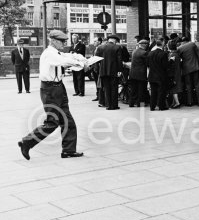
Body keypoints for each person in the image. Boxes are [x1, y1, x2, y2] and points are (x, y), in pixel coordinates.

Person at [17, 30, 87, 160]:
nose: (64, 44)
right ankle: (27, 142)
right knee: (52, 122)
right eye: (62, 41)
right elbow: (63, 61)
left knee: (68, 121)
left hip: (59, 88)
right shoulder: (49, 54)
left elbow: (67, 56)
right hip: (49, 90)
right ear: (53, 41)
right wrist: (82, 64)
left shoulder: (57, 52)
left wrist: (80, 58)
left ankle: (68, 150)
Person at [178, 36, 199, 106]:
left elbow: (179, 59)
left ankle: (190, 102)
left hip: (186, 69)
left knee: (188, 85)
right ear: (187, 40)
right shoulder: (192, 44)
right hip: (195, 67)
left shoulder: (179, 48)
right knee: (197, 84)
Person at [100, 35, 123, 110]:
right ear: (114, 40)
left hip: (103, 71)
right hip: (114, 71)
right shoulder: (117, 47)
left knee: (106, 88)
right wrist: (120, 70)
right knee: (114, 88)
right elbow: (119, 60)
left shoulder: (101, 47)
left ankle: (108, 105)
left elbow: (97, 59)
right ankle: (114, 105)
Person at [147, 39, 169, 111]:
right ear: (162, 44)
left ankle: (152, 107)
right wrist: (171, 61)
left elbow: (147, 64)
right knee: (161, 91)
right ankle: (161, 106)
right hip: (161, 76)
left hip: (152, 75)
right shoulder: (163, 54)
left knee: (153, 92)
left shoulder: (150, 53)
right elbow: (165, 66)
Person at [129, 39, 149, 108]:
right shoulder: (144, 53)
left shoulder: (134, 51)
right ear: (145, 45)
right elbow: (147, 63)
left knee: (133, 90)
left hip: (132, 74)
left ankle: (131, 103)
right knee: (141, 90)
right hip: (141, 74)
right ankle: (140, 104)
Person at [167, 38, 183, 108]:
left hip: (173, 74)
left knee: (173, 89)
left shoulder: (172, 54)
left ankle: (177, 103)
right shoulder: (177, 54)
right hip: (178, 72)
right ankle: (175, 102)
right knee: (175, 88)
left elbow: (170, 65)